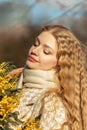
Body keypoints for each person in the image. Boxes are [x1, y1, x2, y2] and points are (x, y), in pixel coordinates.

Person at [10, 25, 87, 130]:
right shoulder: (13, 83)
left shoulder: (52, 103)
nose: (35, 51)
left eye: (46, 51)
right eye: (35, 44)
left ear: (60, 64)